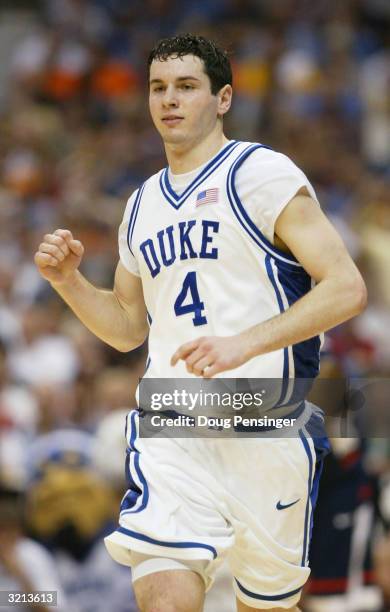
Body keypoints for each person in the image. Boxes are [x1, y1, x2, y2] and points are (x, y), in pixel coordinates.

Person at [34, 34, 367, 612]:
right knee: (162, 593)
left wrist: (245, 344)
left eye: (187, 87)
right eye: (158, 88)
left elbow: (346, 287)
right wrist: (69, 282)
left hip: (268, 421)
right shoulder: (139, 206)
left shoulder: (260, 172)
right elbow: (126, 329)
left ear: (223, 98)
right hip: (173, 423)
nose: (170, 100)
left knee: (266, 603)